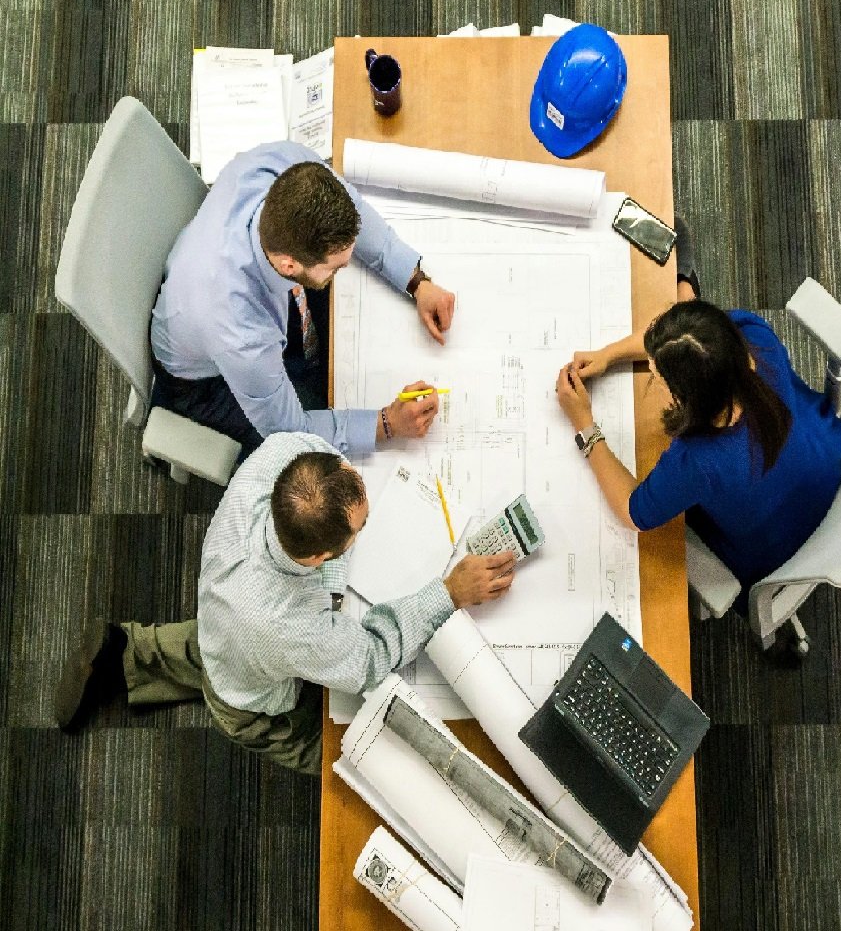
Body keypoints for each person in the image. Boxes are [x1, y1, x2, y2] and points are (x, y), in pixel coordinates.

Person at [54, 432, 516, 775]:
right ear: (318, 558)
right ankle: (343, 762)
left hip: (225, 614)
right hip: (250, 698)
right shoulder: (288, 627)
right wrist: (449, 592)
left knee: (217, 645)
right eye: (361, 528)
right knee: (350, 753)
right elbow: (370, 659)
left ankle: (127, 649)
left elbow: (329, 463)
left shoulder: (283, 455)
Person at [151, 141, 457, 457]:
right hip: (203, 382)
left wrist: (416, 281)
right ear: (289, 265)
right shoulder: (241, 332)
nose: (347, 265)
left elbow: (354, 211)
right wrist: (387, 424)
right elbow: (290, 433)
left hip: (204, 283)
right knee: (308, 448)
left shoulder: (283, 165)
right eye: (336, 267)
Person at [555, 294, 841, 605]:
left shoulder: (699, 462)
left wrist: (584, 424)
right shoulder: (753, 336)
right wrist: (609, 355)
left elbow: (634, 512)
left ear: (685, 398)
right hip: (833, 461)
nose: (652, 377)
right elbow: (684, 340)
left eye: (657, 377)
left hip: (782, 548)